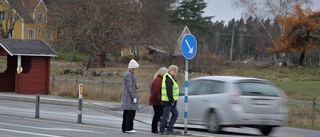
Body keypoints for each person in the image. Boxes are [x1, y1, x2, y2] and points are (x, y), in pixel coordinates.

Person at [159, 65, 181, 135]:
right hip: (168, 101)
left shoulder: (171, 78)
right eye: (174, 70)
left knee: (175, 114)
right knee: (166, 115)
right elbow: (169, 90)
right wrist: (171, 100)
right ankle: (162, 130)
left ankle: (170, 128)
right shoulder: (168, 78)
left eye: (176, 70)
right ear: (170, 70)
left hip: (172, 101)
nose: (176, 72)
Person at [121, 59, 140, 133]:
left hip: (129, 97)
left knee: (127, 113)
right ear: (133, 68)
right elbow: (129, 87)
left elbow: (131, 85)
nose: (137, 69)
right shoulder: (129, 74)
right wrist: (134, 97)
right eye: (136, 68)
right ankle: (128, 128)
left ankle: (125, 127)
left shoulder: (131, 74)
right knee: (130, 113)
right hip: (129, 98)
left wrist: (136, 86)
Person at [149, 67, 168, 134]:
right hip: (156, 101)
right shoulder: (158, 80)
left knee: (158, 114)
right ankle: (154, 128)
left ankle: (156, 127)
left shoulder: (159, 79)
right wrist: (160, 100)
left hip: (156, 100)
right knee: (157, 115)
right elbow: (156, 91)